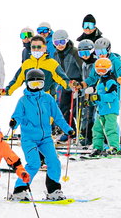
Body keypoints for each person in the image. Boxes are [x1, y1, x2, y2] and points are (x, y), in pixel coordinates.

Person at [8, 69, 74, 200]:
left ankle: (54, 190)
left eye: (39, 84)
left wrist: (68, 129)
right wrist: (14, 123)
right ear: (27, 84)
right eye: (33, 84)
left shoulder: (48, 98)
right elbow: (17, 116)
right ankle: (19, 190)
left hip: (45, 138)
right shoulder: (23, 101)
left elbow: (58, 116)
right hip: (29, 139)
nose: (36, 87)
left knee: (54, 162)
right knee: (34, 163)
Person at [51, 29, 84, 137]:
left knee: (76, 110)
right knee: (63, 109)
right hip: (65, 84)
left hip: (76, 83)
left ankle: (82, 133)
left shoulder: (74, 52)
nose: (60, 45)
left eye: (62, 42)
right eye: (57, 43)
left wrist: (81, 84)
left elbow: (82, 68)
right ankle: (70, 132)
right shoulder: (55, 54)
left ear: (67, 41)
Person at [88, 58, 121, 156]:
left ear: (109, 69)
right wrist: (92, 101)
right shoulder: (99, 81)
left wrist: (99, 97)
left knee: (110, 128)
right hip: (101, 110)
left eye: (103, 70)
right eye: (98, 71)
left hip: (110, 109)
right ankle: (97, 148)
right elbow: (98, 96)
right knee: (96, 129)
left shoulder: (111, 81)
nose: (101, 73)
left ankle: (115, 147)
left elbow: (112, 96)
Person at [74, 39, 98, 145]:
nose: (84, 56)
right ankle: (85, 137)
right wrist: (81, 90)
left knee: (94, 115)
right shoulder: (84, 64)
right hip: (86, 93)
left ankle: (95, 138)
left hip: (95, 93)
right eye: (81, 53)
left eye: (86, 53)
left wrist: (94, 89)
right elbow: (84, 78)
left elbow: (96, 78)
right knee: (85, 114)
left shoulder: (96, 63)